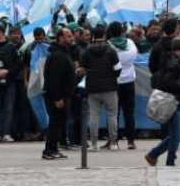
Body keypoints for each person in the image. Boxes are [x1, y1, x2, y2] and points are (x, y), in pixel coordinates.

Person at [145, 37, 180, 167]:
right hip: (173, 100)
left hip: (174, 99)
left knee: (175, 133)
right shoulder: (173, 63)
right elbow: (167, 82)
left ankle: (155, 155)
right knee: (177, 135)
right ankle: (166, 159)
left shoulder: (171, 59)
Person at [80, 30, 121, 151]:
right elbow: (118, 69)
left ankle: (93, 144)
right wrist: (112, 77)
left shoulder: (87, 51)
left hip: (92, 87)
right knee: (112, 115)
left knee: (94, 116)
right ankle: (113, 143)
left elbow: (83, 68)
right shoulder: (111, 51)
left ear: (93, 37)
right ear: (104, 36)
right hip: (110, 88)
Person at [42, 28, 76, 160]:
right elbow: (54, 79)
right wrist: (58, 98)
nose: (71, 38)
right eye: (68, 36)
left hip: (63, 95)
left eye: (71, 35)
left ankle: (54, 149)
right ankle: (49, 150)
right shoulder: (58, 55)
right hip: (57, 96)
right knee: (55, 123)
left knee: (58, 123)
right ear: (60, 38)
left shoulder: (63, 53)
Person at [106, 23, 139, 149]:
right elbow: (134, 56)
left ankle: (113, 141)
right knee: (129, 113)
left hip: (114, 82)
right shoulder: (130, 43)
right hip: (129, 81)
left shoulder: (108, 45)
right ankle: (131, 141)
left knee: (114, 113)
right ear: (122, 31)